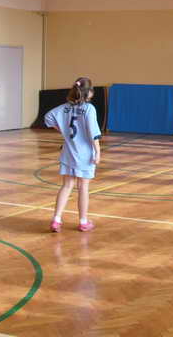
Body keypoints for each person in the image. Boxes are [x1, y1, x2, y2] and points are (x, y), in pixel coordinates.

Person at [45, 77, 101, 232]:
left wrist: (63, 130)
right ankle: (83, 222)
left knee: (66, 185)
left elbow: (48, 117)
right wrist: (98, 151)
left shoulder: (64, 108)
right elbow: (93, 133)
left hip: (68, 152)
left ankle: (56, 220)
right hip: (85, 154)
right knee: (83, 187)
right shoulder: (89, 109)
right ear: (89, 92)